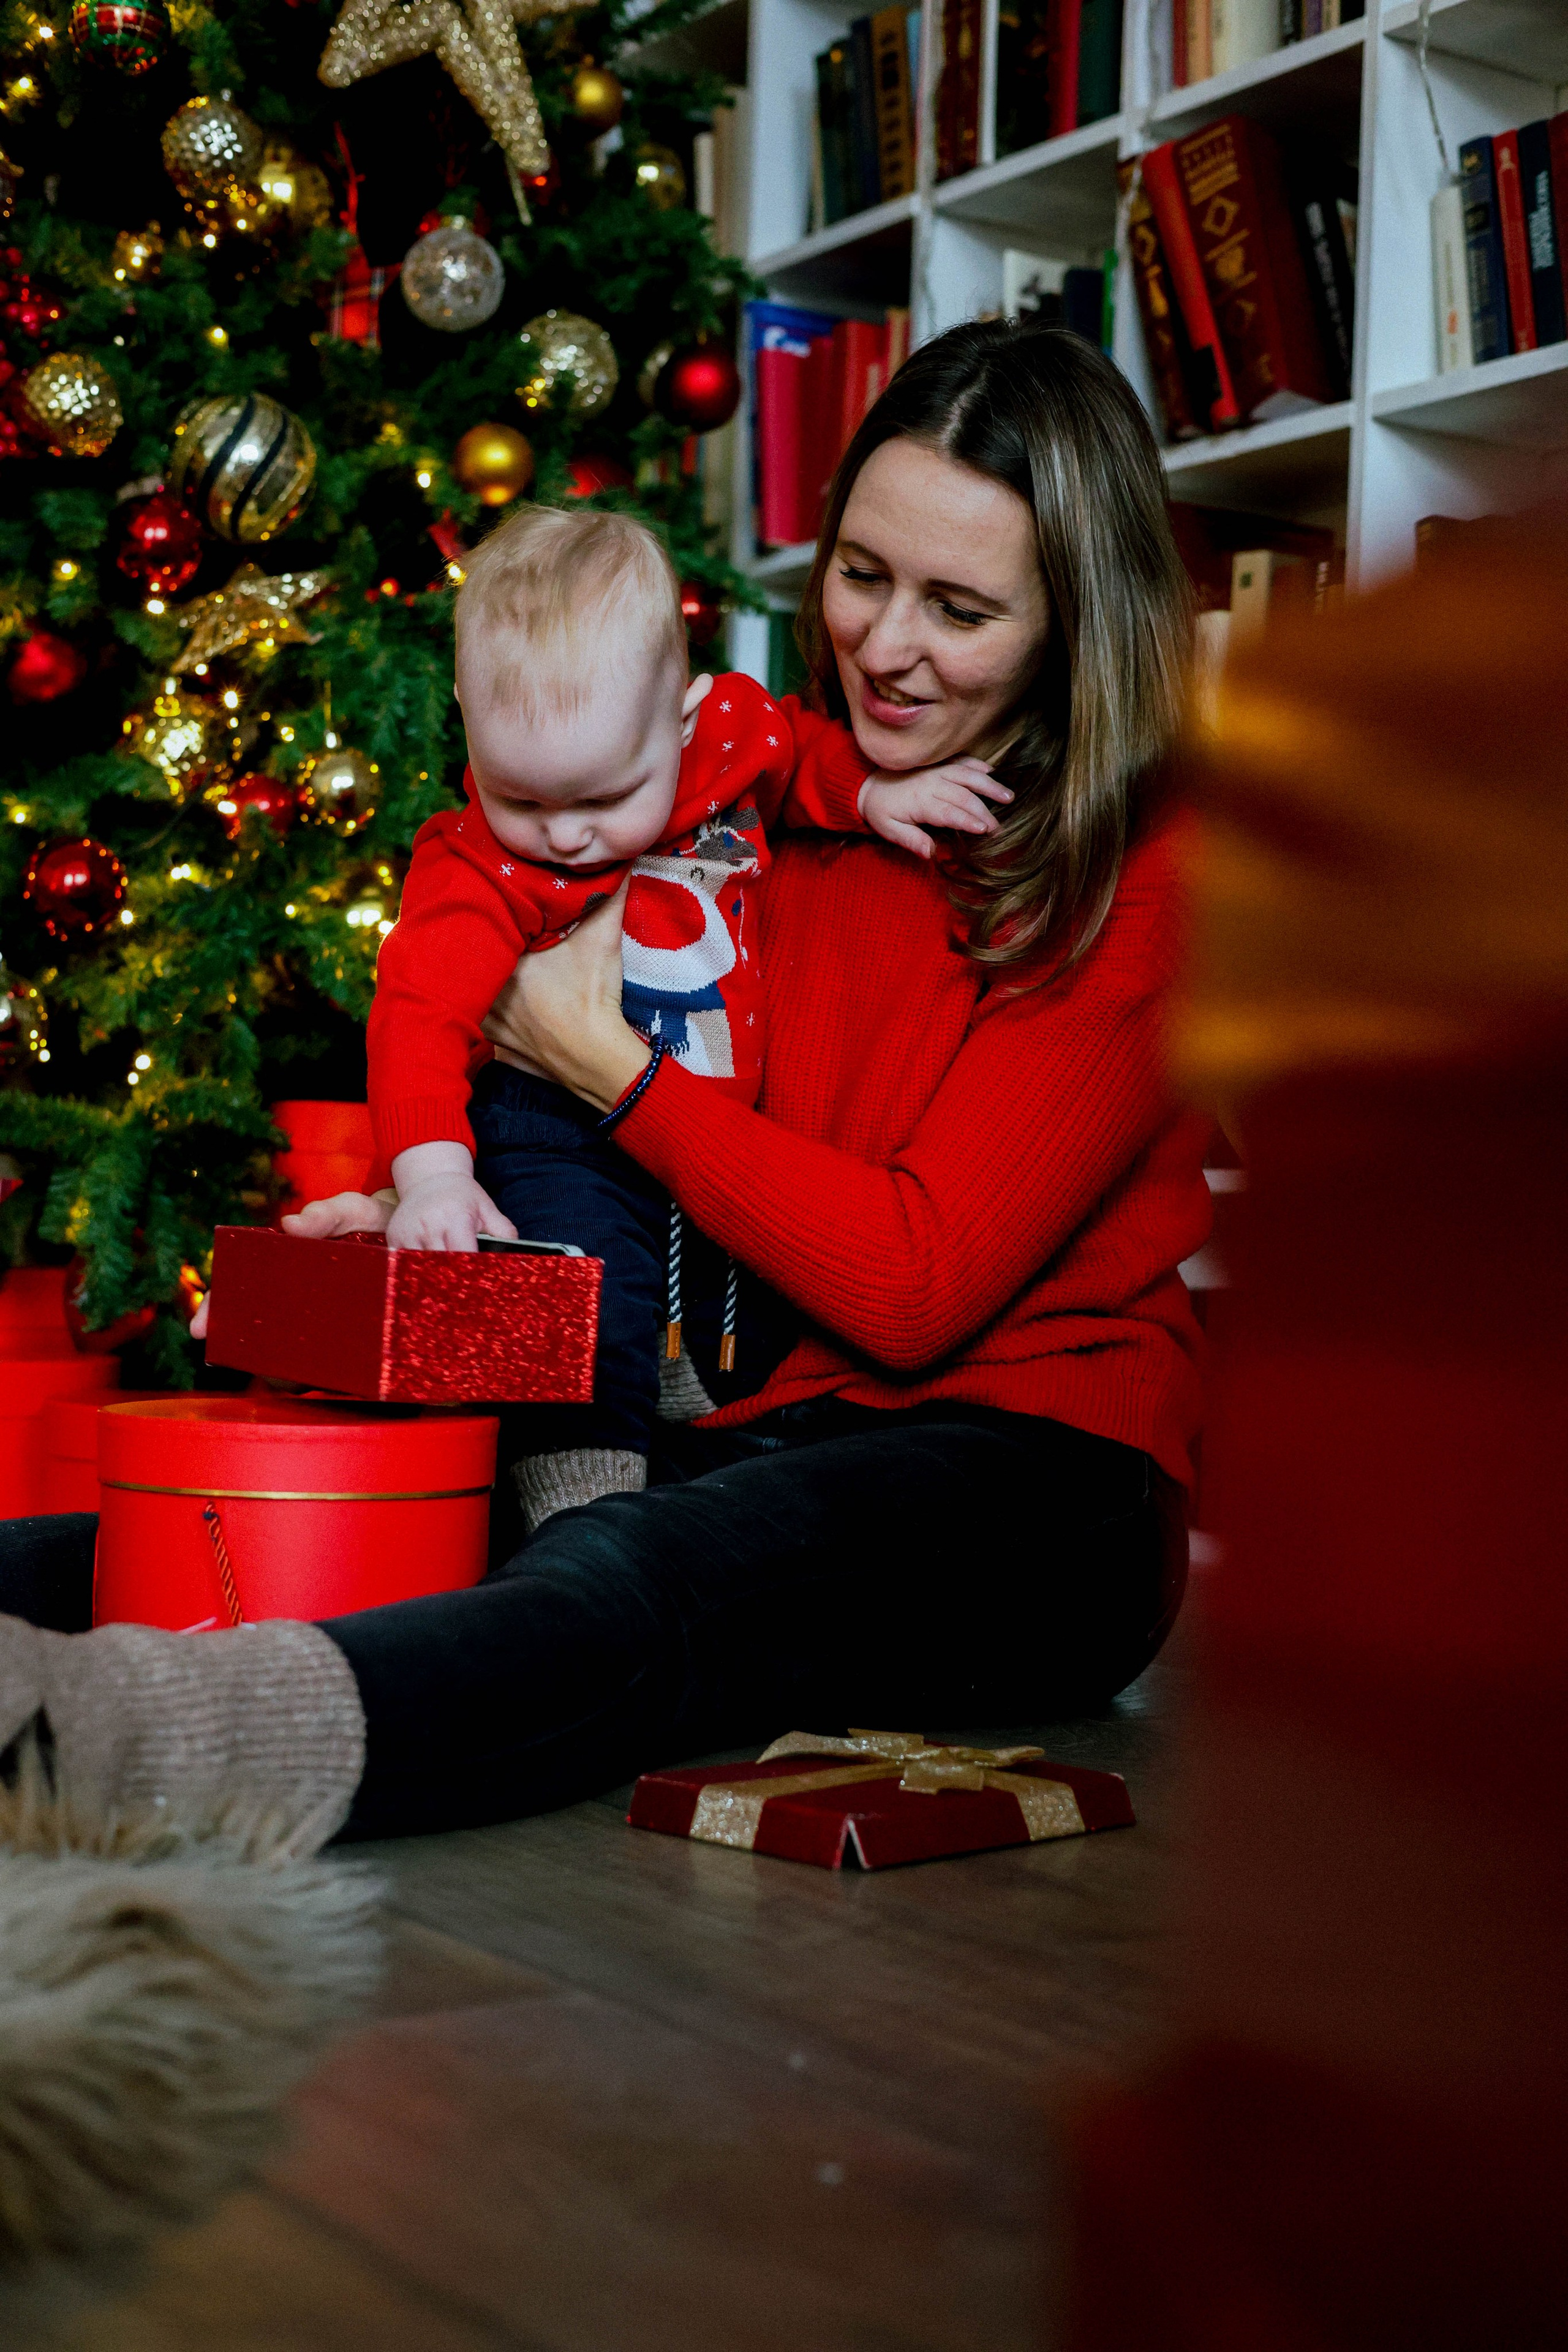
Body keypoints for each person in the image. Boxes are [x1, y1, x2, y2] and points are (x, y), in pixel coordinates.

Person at [0, 320, 1211, 1848]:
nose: (884, 647)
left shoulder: (1137, 875)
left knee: (642, 1569)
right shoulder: (770, 801)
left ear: (1071, 624)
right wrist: (434, 1201)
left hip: (1045, 1478)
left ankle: (137, 1748)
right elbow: (693, 1169)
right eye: (859, 575)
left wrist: (605, 1068)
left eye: (958, 608)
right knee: (349, 1505)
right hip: (779, 1417)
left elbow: (911, 1283)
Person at [370, 502, 1009, 1530]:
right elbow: (413, 1014)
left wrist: (868, 795)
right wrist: (433, 1175)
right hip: (550, 1128)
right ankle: (576, 1513)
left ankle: (674, 1464)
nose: (566, 838)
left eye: (603, 798)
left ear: (684, 716)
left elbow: (795, 751)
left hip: (703, 1118)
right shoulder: (475, 867)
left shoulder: (725, 738)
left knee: (729, 1310)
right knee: (583, 1313)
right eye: (522, 800)